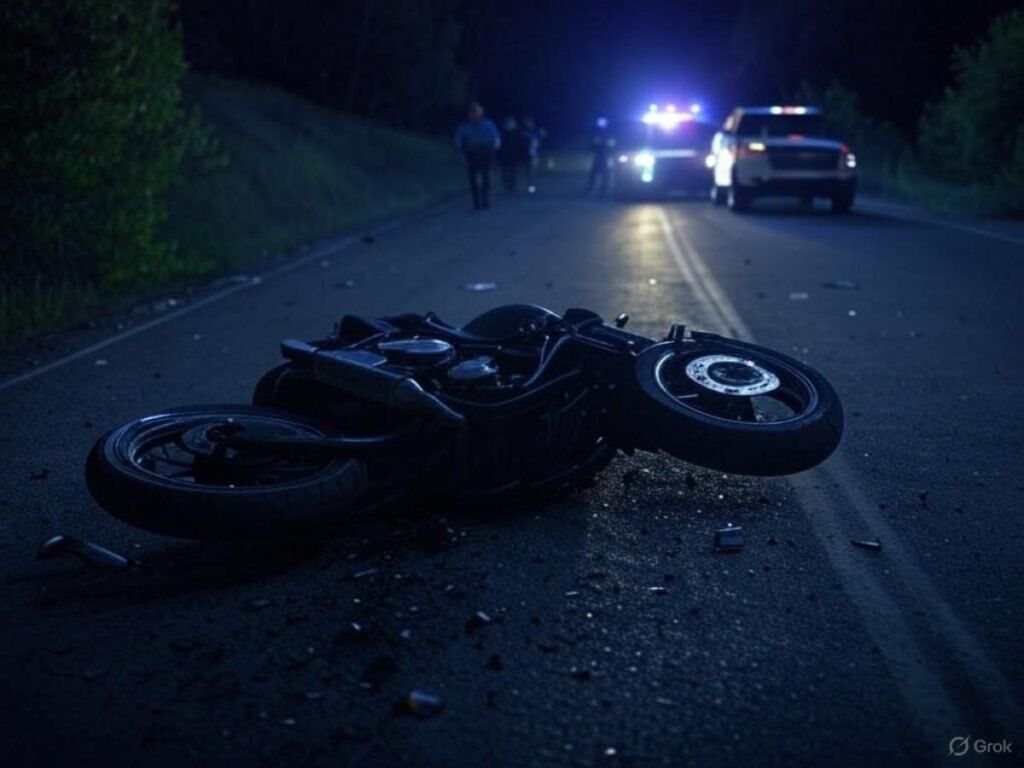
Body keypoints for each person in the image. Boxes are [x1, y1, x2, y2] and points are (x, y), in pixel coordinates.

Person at [454, 102, 501, 210]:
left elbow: (496, 138)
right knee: (472, 178)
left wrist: (494, 149)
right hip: (471, 153)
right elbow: (458, 141)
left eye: (476, 113)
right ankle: (476, 202)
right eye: (472, 113)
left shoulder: (489, 125)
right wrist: (461, 153)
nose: (474, 115)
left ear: (481, 113)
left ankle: (485, 200)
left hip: (485, 152)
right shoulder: (464, 127)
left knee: (485, 176)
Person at [587, 116, 615, 196]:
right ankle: (592, 189)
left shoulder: (608, 134)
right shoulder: (596, 133)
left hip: (604, 156)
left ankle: (601, 190)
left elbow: (611, 145)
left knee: (603, 174)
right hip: (599, 155)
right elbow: (592, 145)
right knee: (595, 173)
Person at [520, 116, 545, 193]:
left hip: (536, 154)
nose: (529, 124)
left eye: (530, 122)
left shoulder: (536, 131)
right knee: (528, 171)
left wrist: (541, 135)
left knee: (534, 170)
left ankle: (534, 185)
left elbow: (542, 137)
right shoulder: (524, 132)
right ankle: (531, 187)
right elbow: (522, 142)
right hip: (527, 154)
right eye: (527, 122)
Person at [497, 116, 520, 193]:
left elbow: (518, 144)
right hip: (504, 154)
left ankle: (512, 187)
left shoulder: (516, 132)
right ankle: (506, 186)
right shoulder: (502, 132)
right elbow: (499, 143)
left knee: (513, 171)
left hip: (513, 155)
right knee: (504, 171)